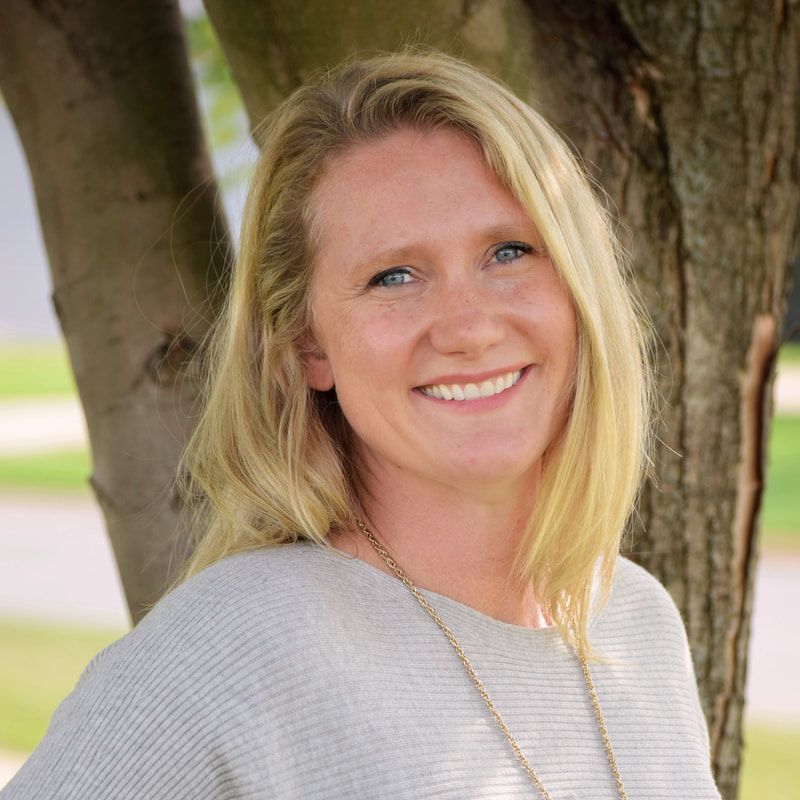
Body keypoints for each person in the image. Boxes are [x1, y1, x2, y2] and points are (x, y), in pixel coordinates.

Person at [3, 49, 722, 799]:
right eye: (394, 276)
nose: (469, 328)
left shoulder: (635, 622)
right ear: (307, 346)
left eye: (509, 252)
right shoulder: (227, 651)